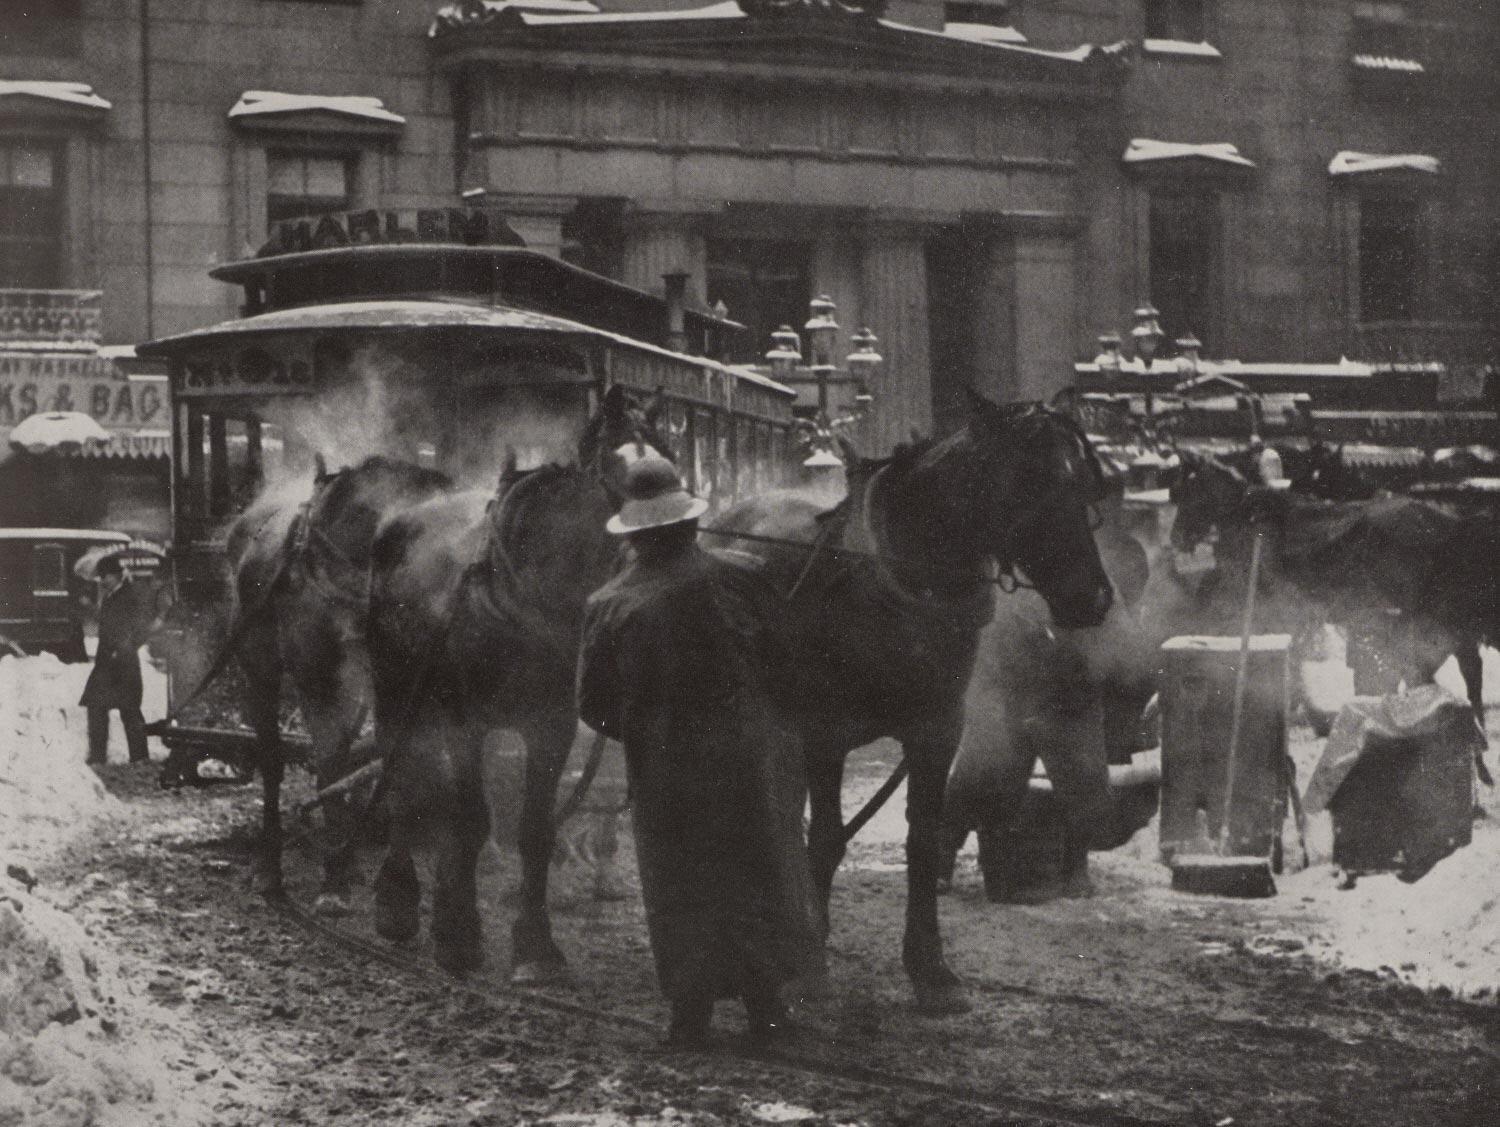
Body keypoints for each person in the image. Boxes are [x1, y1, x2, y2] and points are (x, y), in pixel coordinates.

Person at [577, 455, 818, 1047]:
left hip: (664, 766)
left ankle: (690, 1017)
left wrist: (647, 731)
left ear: (634, 534)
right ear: (688, 523)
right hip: (744, 755)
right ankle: (767, 1012)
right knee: (754, 873)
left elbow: (593, 704)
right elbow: (789, 663)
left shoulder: (608, 602)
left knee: (678, 883)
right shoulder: (743, 577)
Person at [81, 555, 150, 765]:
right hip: (106, 664)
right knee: (96, 705)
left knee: (129, 710)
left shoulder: (130, 596)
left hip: (124, 664)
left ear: (117, 575)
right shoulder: (110, 597)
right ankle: (98, 756)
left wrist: (125, 649)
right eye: (101, 576)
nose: (102, 580)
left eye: (105, 576)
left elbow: (141, 629)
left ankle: (139, 758)